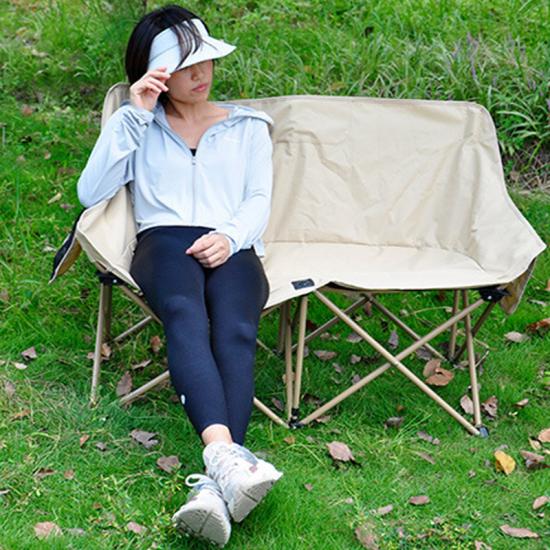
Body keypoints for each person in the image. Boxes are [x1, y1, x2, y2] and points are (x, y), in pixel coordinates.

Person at [76, 3, 283, 546]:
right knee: (185, 313)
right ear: (158, 75)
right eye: (186, 67)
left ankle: (215, 484)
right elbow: (90, 191)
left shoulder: (247, 126)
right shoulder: (138, 124)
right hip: (163, 240)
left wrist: (230, 236)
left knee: (236, 328)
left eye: (206, 61)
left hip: (232, 242)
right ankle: (227, 458)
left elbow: (259, 198)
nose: (201, 74)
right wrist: (135, 114)